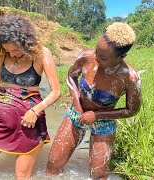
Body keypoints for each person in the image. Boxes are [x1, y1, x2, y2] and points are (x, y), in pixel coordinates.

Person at [0, 15, 61, 179]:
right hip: (2, 119)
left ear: (25, 41)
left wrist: (35, 111)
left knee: (21, 176)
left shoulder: (41, 53)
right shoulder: (2, 54)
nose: (12, 54)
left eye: (15, 49)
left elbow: (56, 92)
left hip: (29, 121)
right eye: (8, 50)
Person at [46, 22, 142, 180]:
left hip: (104, 122)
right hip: (77, 114)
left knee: (98, 175)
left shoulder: (130, 77)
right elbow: (71, 77)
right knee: (53, 164)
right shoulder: (86, 57)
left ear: (121, 57)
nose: (96, 58)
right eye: (96, 51)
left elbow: (132, 110)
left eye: (103, 57)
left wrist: (97, 115)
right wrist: (77, 107)